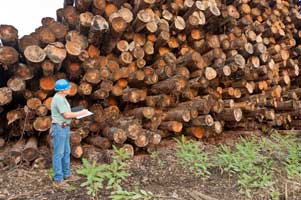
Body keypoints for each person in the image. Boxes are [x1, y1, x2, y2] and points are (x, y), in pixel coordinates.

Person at [50, 79, 89, 186]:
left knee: (66, 152)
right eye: (68, 87)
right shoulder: (58, 99)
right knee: (59, 154)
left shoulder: (62, 98)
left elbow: (67, 112)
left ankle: (66, 174)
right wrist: (81, 112)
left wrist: (76, 111)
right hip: (59, 128)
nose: (69, 89)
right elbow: (66, 115)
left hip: (64, 128)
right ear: (62, 90)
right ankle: (58, 179)